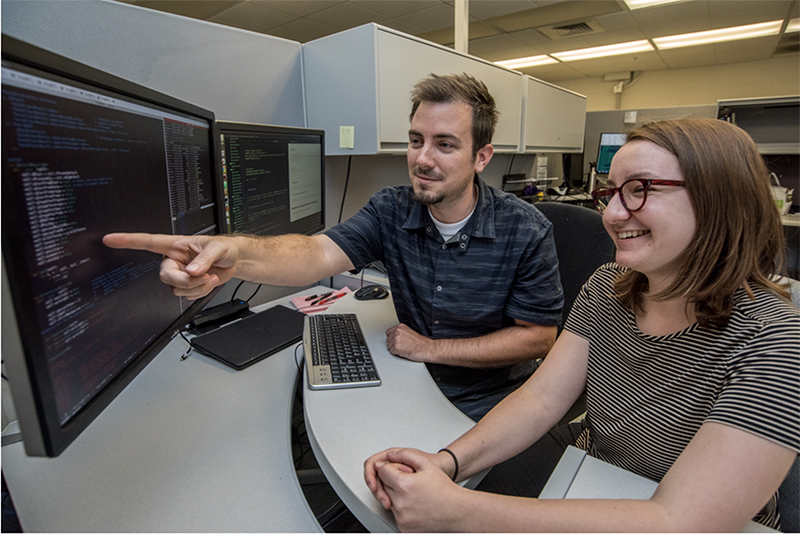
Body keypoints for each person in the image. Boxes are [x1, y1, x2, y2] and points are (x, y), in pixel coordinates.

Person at [364, 118, 800, 532]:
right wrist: (448, 462)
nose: (611, 215)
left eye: (639, 190)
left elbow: (680, 521)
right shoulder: (609, 286)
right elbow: (540, 399)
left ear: (719, 198)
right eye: (611, 193)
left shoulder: (777, 342)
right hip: (594, 478)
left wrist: (457, 510)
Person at [104, 73, 563, 420]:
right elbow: (316, 253)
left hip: (484, 401)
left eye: (445, 144)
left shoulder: (526, 230)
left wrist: (431, 349)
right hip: (408, 378)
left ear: (481, 157)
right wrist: (233, 254)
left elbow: (538, 337)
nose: (422, 159)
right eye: (416, 140)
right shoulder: (391, 209)